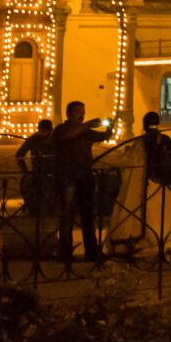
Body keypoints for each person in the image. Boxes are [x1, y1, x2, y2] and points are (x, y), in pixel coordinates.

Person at [53, 101, 109, 265]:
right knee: (67, 216)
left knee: (88, 216)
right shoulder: (61, 130)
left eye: (83, 111)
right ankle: (65, 252)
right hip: (67, 178)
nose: (82, 115)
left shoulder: (86, 132)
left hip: (85, 178)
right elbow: (69, 135)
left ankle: (91, 251)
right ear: (69, 114)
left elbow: (104, 136)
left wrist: (110, 126)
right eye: (78, 112)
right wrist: (89, 124)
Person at [137, 110, 171, 252]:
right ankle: (162, 239)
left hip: (150, 180)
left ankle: (151, 240)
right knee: (163, 211)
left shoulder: (142, 141)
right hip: (164, 180)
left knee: (150, 213)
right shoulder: (166, 139)